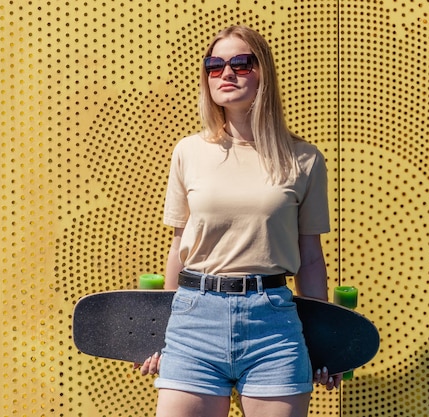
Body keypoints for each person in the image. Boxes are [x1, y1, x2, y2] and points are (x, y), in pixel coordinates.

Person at [136, 25, 341, 417]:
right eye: (214, 65)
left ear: (263, 72)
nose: (226, 73)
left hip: (274, 326)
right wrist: (156, 333)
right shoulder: (189, 152)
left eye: (241, 63)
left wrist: (324, 340)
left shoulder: (304, 159)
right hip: (194, 321)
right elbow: (179, 246)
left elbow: (310, 257)